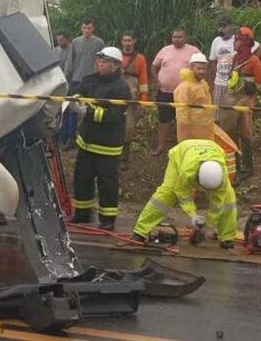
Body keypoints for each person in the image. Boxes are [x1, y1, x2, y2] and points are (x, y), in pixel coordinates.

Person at [131, 139, 237, 249]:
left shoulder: (222, 176)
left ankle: (226, 238)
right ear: (196, 177)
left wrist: (207, 227)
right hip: (181, 153)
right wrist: (193, 216)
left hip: (212, 148)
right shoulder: (187, 171)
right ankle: (140, 231)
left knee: (228, 198)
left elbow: (218, 203)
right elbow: (182, 192)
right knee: (167, 193)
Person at [70, 47, 132, 230]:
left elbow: (114, 115)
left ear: (115, 65)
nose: (100, 64)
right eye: (99, 61)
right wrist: (76, 101)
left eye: (104, 62)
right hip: (87, 141)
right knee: (82, 178)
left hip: (107, 145)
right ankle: (82, 214)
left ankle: (107, 220)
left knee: (107, 183)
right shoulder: (91, 79)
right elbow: (79, 92)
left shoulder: (121, 87)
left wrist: (88, 111)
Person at [220, 28, 261, 186]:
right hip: (231, 96)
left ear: (245, 41)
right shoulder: (235, 59)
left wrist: (253, 88)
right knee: (228, 130)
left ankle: (246, 168)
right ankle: (235, 164)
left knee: (245, 132)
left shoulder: (254, 61)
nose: (234, 42)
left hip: (245, 99)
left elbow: (259, 82)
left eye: (237, 39)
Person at [151, 29, 200, 155]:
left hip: (185, 93)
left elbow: (201, 69)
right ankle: (161, 147)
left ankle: (184, 147)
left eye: (179, 37)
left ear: (185, 37)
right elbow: (154, 67)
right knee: (163, 120)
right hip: (165, 92)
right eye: (174, 37)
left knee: (184, 120)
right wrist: (157, 81)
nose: (177, 39)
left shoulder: (194, 51)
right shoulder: (165, 50)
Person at [208, 16, 261, 123]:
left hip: (242, 90)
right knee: (220, 116)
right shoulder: (220, 44)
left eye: (224, 26)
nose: (221, 29)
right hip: (226, 84)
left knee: (242, 120)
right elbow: (213, 62)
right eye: (219, 27)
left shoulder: (244, 44)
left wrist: (249, 62)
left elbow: (259, 82)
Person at [120, 32, 149, 169]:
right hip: (116, 94)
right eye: (125, 40)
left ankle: (124, 157)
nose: (127, 43)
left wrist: (143, 97)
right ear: (122, 42)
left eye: (129, 40)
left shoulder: (140, 58)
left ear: (134, 41)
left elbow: (143, 78)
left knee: (128, 127)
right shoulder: (116, 56)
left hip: (132, 95)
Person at [173, 53, 214, 142]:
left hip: (205, 128)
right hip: (190, 130)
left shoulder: (203, 83)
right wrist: (185, 130)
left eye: (204, 69)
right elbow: (182, 110)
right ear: (191, 68)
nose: (202, 72)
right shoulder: (185, 86)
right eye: (199, 69)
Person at [64, 18, 105, 94]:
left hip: (93, 79)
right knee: (76, 104)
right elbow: (70, 61)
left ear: (93, 29)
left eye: (89, 28)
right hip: (77, 79)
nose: (87, 30)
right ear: (81, 28)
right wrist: (66, 76)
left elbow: (103, 61)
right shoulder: (75, 42)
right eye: (85, 28)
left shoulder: (99, 43)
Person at [54, 31, 76, 149]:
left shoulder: (73, 49)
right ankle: (61, 136)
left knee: (72, 111)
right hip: (60, 84)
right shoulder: (56, 51)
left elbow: (70, 68)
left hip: (71, 84)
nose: (60, 42)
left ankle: (70, 137)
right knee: (62, 111)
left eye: (62, 40)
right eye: (58, 40)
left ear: (67, 39)